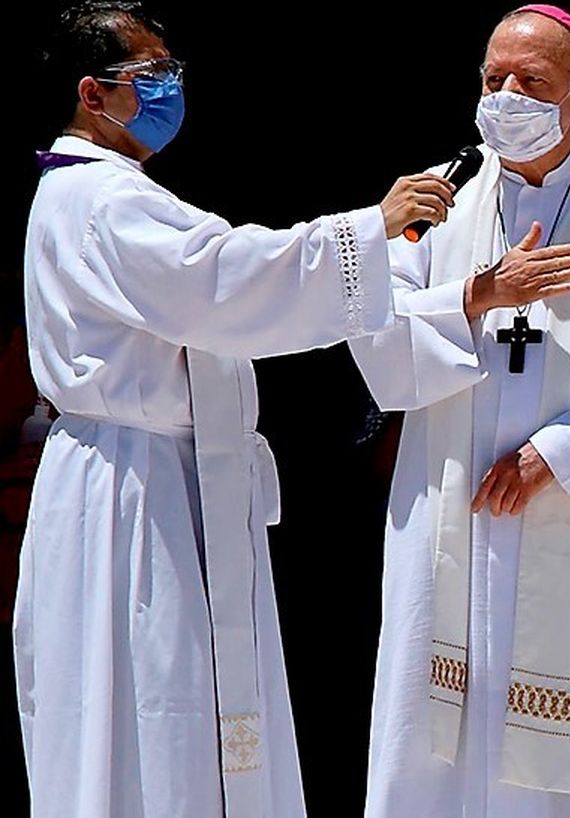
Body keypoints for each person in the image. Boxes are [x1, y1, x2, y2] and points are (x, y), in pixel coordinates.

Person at [16, 2, 454, 816]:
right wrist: (372, 228)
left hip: (157, 477)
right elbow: (220, 280)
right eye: (150, 76)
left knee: (165, 710)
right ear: (91, 92)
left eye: (173, 71)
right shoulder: (102, 199)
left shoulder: (100, 191)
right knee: (151, 706)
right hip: (135, 495)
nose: (170, 89)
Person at [349, 6, 570, 817]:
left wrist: (558, 455)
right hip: (450, 501)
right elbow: (378, 340)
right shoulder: (438, 197)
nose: (507, 96)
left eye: (531, 82)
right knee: (434, 736)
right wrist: (481, 294)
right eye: (493, 79)